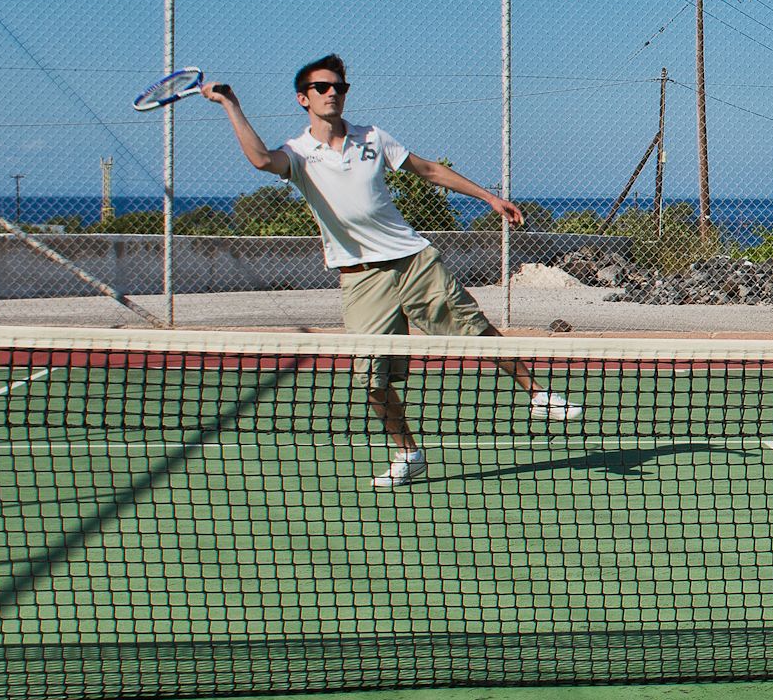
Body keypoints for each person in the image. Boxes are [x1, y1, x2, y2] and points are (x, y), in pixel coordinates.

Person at [206, 55, 579, 488]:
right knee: (371, 377)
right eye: (323, 88)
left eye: (339, 87)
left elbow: (428, 170)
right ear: (303, 98)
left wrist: (490, 199)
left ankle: (538, 396)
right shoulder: (298, 154)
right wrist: (231, 104)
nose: (332, 94)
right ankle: (408, 453)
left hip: (413, 260)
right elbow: (259, 160)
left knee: (476, 330)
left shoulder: (372, 138)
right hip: (361, 277)